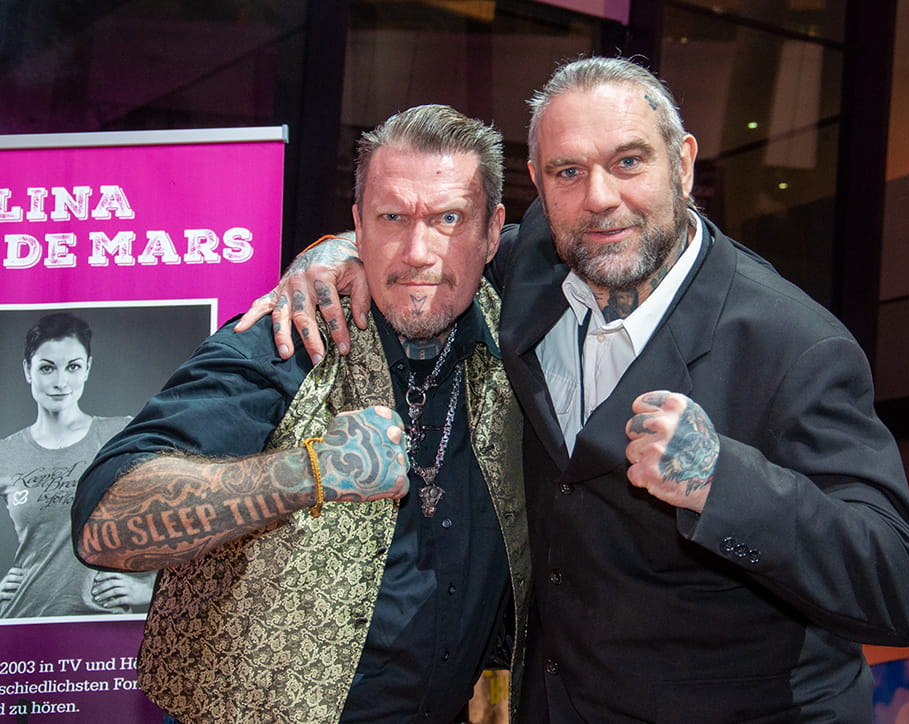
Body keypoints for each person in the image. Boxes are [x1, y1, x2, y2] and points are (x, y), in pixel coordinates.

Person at [241, 57, 909, 722]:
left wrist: (723, 483)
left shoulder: (793, 343)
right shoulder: (534, 265)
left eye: (628, 161)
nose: (599, 198)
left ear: (683, 164)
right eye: (568, 172)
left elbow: (900, 588)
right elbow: (431, 237)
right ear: (539, 185)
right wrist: (336, 251)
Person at [71, 105, 529, 724]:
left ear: (493, 230)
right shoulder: (287, 340)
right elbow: (103, 523)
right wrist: (308, 473)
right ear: (358, 225)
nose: (418, 252)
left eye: (449, 218)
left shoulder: (517, 330)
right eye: (392, 217)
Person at [0, 312, 154, 618]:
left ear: (87, 369)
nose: (60, 382)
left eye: (73, 366)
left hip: (104, 623)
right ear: (28, 371)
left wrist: (151, 587)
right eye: (47, 368)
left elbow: (181, 513)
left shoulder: (121, 435)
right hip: (25, 620)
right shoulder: (6, 453)